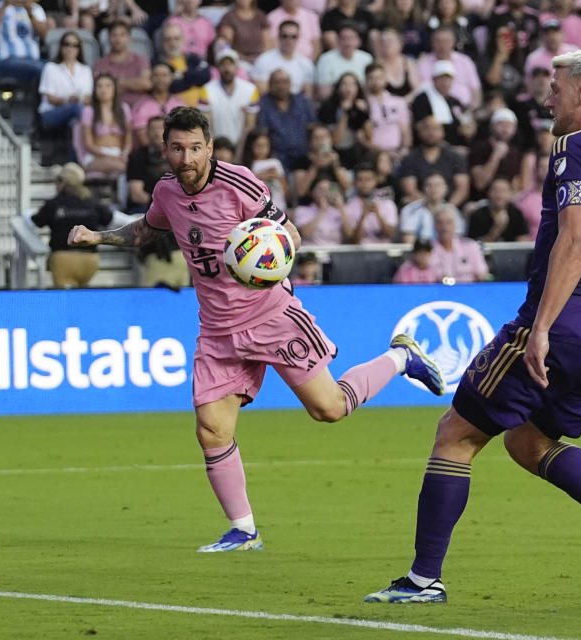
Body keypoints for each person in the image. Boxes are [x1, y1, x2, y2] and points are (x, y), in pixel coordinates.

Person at [68, 106, 445, 552]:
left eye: (194, 148)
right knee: (211, 428)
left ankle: (401, 356)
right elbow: (147, 231)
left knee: (329, 409)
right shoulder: (167, 192)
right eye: (177, 148)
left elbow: (293, 239)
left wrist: (261, 257)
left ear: (209, 148)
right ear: (164, 149)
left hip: (269, 316)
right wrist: (100, 237)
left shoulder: (240, 183)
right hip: (218, 329)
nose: (186, 157)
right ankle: (244, 530)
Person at [364, 50, 581, 604]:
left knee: (455, 435)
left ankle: (423, 580)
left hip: (556, 328)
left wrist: (544, 328)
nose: (546, 98)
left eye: (555, 88)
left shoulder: (576, 147)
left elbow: (574, 241)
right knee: (529, 441)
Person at [32, 163, 113, 288]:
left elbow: (37, 221)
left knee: (64, 301)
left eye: (57, 181)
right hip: (90, 259)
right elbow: (108, 218)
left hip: (62, 258)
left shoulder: (55, 203)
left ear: (63, 182)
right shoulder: (92, 202)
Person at [255, 69, 317, 172]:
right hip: (277, 157)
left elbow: (314, 127)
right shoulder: (263, 104)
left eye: (285, 82)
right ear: (270, 85)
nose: (281, 86)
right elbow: (262, 132)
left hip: (304, 155)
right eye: (277, 82)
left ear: (290, 84)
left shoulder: (303, 102)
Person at [199, 49, 260, 148]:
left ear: (237, 67)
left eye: (230, 64)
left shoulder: (251, 90)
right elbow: (207, 125)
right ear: (217, 67)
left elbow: (249, 126)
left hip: (242, 146)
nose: (227, 68)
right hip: (216, 146)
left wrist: (240, 150)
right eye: (223, 64)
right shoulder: (206, 90)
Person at [38, 31, 93, 133]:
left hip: (77, 111)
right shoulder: (50, 67)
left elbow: (88, 97)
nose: (70, 48)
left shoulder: (86, 69)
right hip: (51, 112)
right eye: (66, 44)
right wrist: (68, 100)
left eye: (74, 45)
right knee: (78, 109)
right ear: (61, 47)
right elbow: (50, 98)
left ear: (79, 49)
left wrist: (78, 100)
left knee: (75, 123)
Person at [79, 73, 132, 177]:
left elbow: (128, 138)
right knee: (124, 167)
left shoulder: (124, 109)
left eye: (108, 86)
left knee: (125, 166)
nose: (103, 90)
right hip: (96, 155)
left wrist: (125, 153)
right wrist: (108, 156)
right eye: (99, 86)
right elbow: (88, 144)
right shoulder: (89, 111)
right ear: (94, 90)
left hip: (119, 154)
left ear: (115, 88)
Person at [0, 0, 49, 84]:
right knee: (46, 71)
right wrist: (4, 6)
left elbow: (43, 34)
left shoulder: (35, 8)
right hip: (4, 60)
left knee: (52, 69)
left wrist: (30, 13)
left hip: (33, 60)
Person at [252, 21, 317, 100]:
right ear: (278, 36)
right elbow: (262, 92)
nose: (289, 40)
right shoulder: (263, 60)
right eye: (285, 36)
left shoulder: (306, 64)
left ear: (298, 37)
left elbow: (308, 96)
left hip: (297, 105)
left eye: (293, 36)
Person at [426, 207, 489, 283]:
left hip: (469, 290)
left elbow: (482, 274)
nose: (444, 227)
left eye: (449, 222)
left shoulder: (470, 246)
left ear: (455, 225)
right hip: (439, 291)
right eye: (440, 222)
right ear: (434, 226)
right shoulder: (427, 249)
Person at [315, 23, 374, 102]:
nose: (348, 42)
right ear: (338, 41)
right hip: (335, 103)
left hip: (362, 102)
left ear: (359, 41)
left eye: (351, 38)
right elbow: (324, 94)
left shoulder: (367, 58)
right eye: (344, 38)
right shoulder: (325, 59)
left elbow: (371, 88)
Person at [343, 162, 399, 244]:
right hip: (360, 254)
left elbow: (391, 234)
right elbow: (354, 240)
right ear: (354, 182)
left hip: (384, 254)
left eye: (368, 179)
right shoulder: (349, 206)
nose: (364, 184)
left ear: (375, 181)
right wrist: (363, 216)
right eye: (360, 180)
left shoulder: (388, 204)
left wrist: (378, 215)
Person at [127, 116, 171, 213]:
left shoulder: (177, 155)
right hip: (144, 209)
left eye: (161, 128)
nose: (157, 133)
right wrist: (164, 205)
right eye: (153, 129)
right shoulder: (137, 157)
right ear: (147, 133)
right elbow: (136, 195)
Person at [465, 177, 530, 242]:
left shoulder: (517, 214)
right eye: (495, 190)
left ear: (510, 194)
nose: (499, 195)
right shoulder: (477, 215)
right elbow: (474, 246)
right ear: (488, 193)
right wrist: (497, 228)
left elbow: (522, 240)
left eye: (503, 191)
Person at [217, 0, 270, 65]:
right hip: (237, 60)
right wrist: (238, 58)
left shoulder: (260, 16)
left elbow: (267, 42)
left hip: (259, 59)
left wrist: (262, 59)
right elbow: (226, 42)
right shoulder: (228, 17)